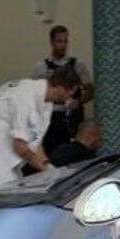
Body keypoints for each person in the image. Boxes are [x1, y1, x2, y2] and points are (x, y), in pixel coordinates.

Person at [0, 66, 81, 188]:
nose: (70, 98)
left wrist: (49, 166)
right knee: (5, 192)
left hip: (1, 148)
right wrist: (51, 172)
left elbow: (35, 143)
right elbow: (21, 147)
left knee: (15, 187)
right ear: (60, 87)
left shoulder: (45, 102)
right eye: (71, 93)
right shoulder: (26, 97)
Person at [32, 25, 94, 155]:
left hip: (72, 117)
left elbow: (90, 90)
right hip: (50, 118)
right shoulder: (41, 68)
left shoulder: (78, 65)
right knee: (52, 152)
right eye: (59, 41)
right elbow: (34, 94)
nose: (63, 45)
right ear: (52, 42)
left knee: (73, 152)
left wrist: (78, 101)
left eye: (65, 41)